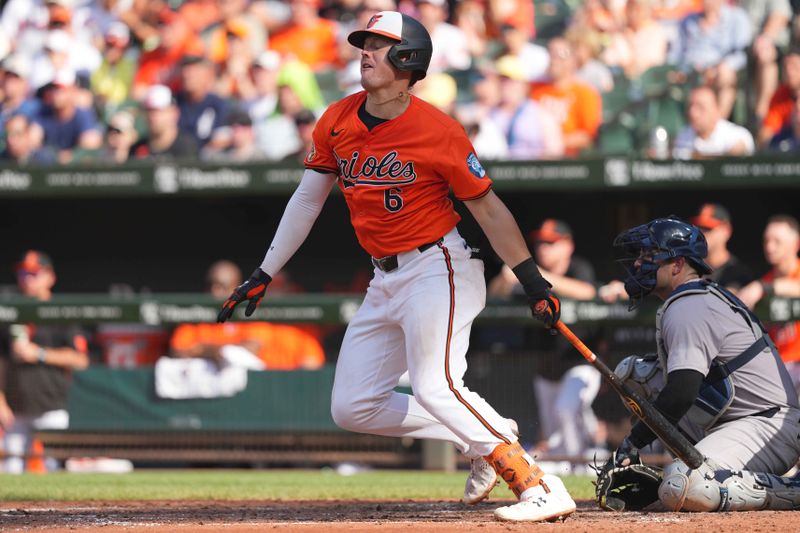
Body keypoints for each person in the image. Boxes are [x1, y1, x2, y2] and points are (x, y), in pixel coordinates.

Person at [216, 11, 575, 523]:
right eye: (363, 43)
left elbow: (489, 209)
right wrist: (265, 271)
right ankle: (487, 437)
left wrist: (532, 278)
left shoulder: (438, 129)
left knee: (436, 385)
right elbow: (306, 202)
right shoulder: (338, 118)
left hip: (439, 267)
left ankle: (538, 483)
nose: (364, 51)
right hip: (384, 277)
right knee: (353, 406)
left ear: (408, 58)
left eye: (379, 45)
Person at [605, 217, 800, 512]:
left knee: (682, 486)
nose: (638, 265)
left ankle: (790, 489)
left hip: (766, 425)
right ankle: (711, 470)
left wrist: (632, 444)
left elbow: (682, 391)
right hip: (731, 421)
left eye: (648, 256)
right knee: (632, 376)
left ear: (677, 264)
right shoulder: (688, 298)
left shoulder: (689, 305)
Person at [488, 219, 602, 461]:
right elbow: (494, 295)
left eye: (551, 243)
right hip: (546, 367)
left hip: (580, 361)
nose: (543, 248)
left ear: (568, 246)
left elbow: (588, 292)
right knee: (552, 430)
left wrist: (534, 275)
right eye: (540, 243)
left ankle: (581, 464)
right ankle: (572, 470)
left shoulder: (578, 268)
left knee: (567, 408)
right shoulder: (531, 275)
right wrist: (505, 279)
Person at [0, 250, 90, 474]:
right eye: (22, 273)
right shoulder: (10, 312)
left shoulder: (61, 314)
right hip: (14, 408)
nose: (26, 279)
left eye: (33, 273)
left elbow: (80, 359)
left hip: (51, 404)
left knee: (53, 469)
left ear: (50, 277)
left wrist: (39, 353)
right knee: (9, 470)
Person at [172, 261, 325, 371]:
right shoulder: (195, 315)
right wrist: (217, 352)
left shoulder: (252, 314)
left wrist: (206, 350)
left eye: (222, 287)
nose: (215, 292)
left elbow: (251, 348)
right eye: (212, 286)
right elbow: (178, 349)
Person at [738, 215, 800, 394]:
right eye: (767, 240)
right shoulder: (764, 281)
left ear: (795, 244)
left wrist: (763, 287)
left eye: (777, 241)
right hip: (776, 368)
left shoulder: (763, 285)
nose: (770, 247)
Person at [530, 37, 602, 157]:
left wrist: (554, 143)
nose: (554, 60)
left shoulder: (585, 93)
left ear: (573, 61)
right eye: (551, 54)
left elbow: (588, 136)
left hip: (569, 160)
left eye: (561, 55)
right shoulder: (533, 88)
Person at [672, 86, 755, 159]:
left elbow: (739, 151)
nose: (693, 113)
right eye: (690, 106)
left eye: (700, 107)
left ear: (716, 110)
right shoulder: (683, 136)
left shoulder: (737, 135)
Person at [688, 203, 753, 290]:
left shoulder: (739, 274)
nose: (702, 234)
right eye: (699, 228)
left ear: (726, 231)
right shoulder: (688, 268)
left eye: (708, 228)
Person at [130, 84, 198, 160]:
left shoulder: (187, 148)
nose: (152, 116)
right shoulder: (136, 149)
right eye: (148, 110)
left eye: (158, 111)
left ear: (174, 113)